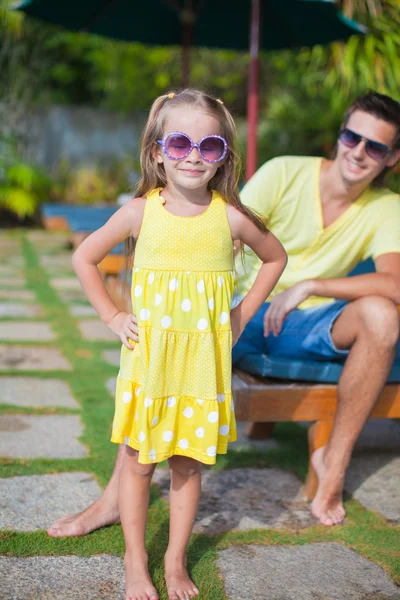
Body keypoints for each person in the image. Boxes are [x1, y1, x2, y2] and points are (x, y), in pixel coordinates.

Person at [47, 90, 400, 537]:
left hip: (300, 320)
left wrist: (308, 287)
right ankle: (113, 500)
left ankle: (334, 464)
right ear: (339, 136)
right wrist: (225, 309)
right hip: (217, 311)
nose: (360, 151)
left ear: (392, 158)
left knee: (383, 315)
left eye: (376, 146)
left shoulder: (387, 208)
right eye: (353, 136)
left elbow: (390, 282)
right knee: (154, 385)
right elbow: (210, 219)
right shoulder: (284, 172)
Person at [67, 89, 287, 600]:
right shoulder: (140, 212)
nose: (193, 155)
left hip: (201, 368)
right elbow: (84, 259)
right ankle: (135, 561)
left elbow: (274, 259)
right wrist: (113, 314)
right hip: (150, 364)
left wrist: (242, 313)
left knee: (188, 466)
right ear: (158, 151)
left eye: (209, 145)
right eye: (181, 142)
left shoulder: (230, 218)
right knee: (140, 463)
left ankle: (174, 562)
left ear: (223, 156)